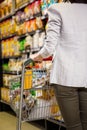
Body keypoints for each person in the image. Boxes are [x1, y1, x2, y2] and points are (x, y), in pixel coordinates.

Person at [30, 0, 87, 130]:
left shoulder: (58, 9)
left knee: (74, 126)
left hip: (65, 77)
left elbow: (49, 47)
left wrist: (36, 56)